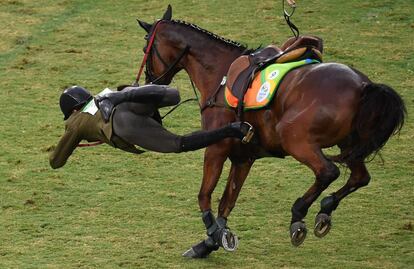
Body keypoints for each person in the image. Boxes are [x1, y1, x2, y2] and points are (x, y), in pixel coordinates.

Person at [49, 85, 254, 169]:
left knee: (178, 143)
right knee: (173, 95)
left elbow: (56, 161)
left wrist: (74, 138)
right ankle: (125, 94)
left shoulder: (74, 122)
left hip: (122, 124)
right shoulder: (100, 95)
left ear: (73, 111)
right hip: (122, 99)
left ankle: (231, 129)